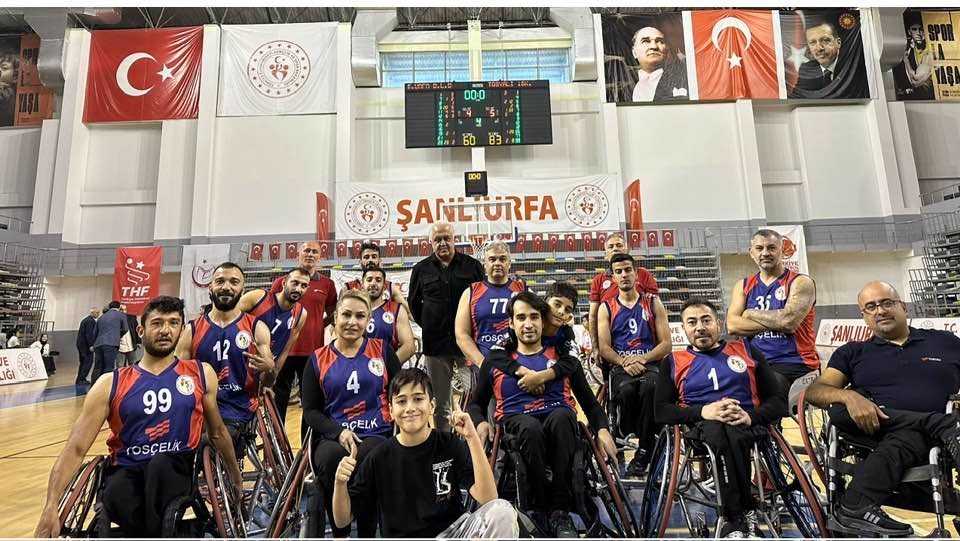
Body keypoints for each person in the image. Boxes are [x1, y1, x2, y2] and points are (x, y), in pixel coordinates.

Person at [34, 296, 243, 538]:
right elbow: (75, 448)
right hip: (126, 468)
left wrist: (235, 476)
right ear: (140, 331)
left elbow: (217, 432)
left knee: (160, 465)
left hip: (176, 468)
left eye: (173, 323)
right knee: (117, 491)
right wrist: (51, 505)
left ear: (181, 330)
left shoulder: (200, 374)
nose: (165, 330)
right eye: (157, 323)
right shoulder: (110, 383)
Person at [804, 281, 960, 536]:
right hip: (876, 428)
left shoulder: (945, 342)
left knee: (912, 435)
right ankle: (937, 424)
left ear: (903, 307)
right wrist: (849, 397)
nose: (880, 310)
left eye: (887, 303)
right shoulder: (853, 352)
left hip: (929, 437)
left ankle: (855, 503)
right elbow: (816, 392)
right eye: (871, 306)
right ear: (864, 315)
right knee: (842, 412)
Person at [469, 291, 615, 537]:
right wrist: (480, 422)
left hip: (559, 419)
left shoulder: (563, 358)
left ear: (542, 319)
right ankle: (536, 509)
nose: (528, 324)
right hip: (517, 421)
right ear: (511, 323)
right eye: (521, 318)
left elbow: (590, 404)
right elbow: (476, 404)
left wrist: (602, 429)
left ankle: (559, 511)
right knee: (530, 428)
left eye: (534, 317)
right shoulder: (496, 361)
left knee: (563, 417)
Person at [332, 368, 518, 538]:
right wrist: (340, 483)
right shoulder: (378, 457)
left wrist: (472, 438)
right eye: (401, 401)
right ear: (391, 411)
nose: (410, 408)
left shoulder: (449, 444)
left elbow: (488, 498)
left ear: (432, 406)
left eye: (418, 399)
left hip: (452, 533)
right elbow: (343, 520)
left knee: (502, 511)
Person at [655, 298, 787, 538]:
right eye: (692, 322)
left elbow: (778, 400)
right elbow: (661, 410)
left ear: (718, 323)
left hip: (746, 422)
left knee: (734, 431)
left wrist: (751, 416)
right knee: (719, 432)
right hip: (703, 427)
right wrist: (702, 411)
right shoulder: (672, 362)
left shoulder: (747, 350)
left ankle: (733, 518)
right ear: (683, 328)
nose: (700, 327)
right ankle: (741, 513)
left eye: (706, 320)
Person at [302, 290, 401, 537]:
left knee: (370, 460)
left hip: (377, 431)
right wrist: (338, 432)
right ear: (335, 317)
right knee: (332, 461)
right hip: (333, 435)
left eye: (359, 316)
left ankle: (366, 533)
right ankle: (341, 532)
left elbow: (401, 392)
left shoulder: (382, 351)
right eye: (346, 315)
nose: (352, 322)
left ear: (368, 320)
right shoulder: (317, 359)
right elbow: (311, 411)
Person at [176, 262, 274, 456]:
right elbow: (177, 376)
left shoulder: (256, 328)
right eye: (220, 281)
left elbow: (269, 378)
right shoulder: (191, 330)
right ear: (210, 287)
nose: (226, 286)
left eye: (234, 282)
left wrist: (270, 368)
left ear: (242, 290)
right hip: (197, 409)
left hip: (236, 408)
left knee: (207, 443)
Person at [597, 252, 672, 476]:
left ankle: (644, 450)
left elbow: (666, 344)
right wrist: (624, 362)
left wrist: (642, 359)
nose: (624, 275)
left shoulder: (653, 302)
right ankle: (625, 430)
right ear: (613, 277)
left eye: (628, 270)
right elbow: (604, 348)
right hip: (621, 366)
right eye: (618, 271)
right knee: (627, 390)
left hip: (650, 364)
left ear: (636, 273)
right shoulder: (606, 307)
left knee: (650, 388)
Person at [408, 222, 484, 430]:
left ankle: (473, 441)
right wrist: (430, 325)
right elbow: (414, 304)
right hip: (436, 346)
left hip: (467, 346)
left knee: (473, 397)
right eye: (437, 239)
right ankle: (444, 441)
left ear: (454, 239)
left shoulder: (472, 266)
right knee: (440, 402)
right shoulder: (421, 269)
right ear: (430, 243)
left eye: (446, 238)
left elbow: (481, 299)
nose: (442, 243)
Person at [726, 229, 819, 393]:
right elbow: (732, 326)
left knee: (764, 387)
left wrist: (749, 313)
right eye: (759, 248)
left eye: (771, 248)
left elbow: (788, 322)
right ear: (751, 253)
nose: (765, 253)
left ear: (782, 251)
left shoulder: (800, 282)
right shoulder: (743, 285)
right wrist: (777, 322)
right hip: (754, 360)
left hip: (794, 362)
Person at [268, 241, 338, 424]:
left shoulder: (327, 284)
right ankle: (278, 437)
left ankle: (308, 440)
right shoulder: (280, 282)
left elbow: (334, 313)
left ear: (319, 257)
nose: (310, 254)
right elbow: (270, 313)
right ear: (298, 254)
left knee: (310, 400)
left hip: (312, 351)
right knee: (279, 397)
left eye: (314, 251)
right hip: (283, 349)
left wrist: (318, 324)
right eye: (306, 250)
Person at [588, 232, 658, 369]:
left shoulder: (643, 274)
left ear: (627, 248)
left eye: (619, 245)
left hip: (644, 348)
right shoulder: (598, 280)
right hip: (612, 350)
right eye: (611, 246)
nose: (615, 248)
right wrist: (596, 348)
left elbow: (655, 306)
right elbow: (593, 316)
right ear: (605, 253)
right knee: (612, 381)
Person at [454, 241, 526, 367]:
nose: (497, 263)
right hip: (483, 365)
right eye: (492, 259)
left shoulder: (523, 290)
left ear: (509, 263)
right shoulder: (471, 292)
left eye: (502, 259)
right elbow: (461, 334)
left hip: (520, 364)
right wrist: (483, 364)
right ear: (485, 265)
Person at [239, 267, 309, 389]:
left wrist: (270, 381)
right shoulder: (258, 297)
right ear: (284, 283)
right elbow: (228, 317)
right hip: (237, 363)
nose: (298, 289)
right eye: (295, 283)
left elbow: (285, 350)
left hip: (260, 371)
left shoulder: (301, 314)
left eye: (304, 286)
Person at [362, 266, 415, 364]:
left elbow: (409, 347)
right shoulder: (353, 310)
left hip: (385, 368)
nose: (373, 283)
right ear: (362, 284)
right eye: (369, 280)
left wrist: (387, 367)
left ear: (384, 286)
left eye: (378, 280)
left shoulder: (397, 310)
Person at [342, 240, 410, 315]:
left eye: (374, 257)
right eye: (366, 257)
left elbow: (409, 312)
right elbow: (339, 315)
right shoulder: (348, 288)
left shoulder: (391, 287)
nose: (370, 260)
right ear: (360, 262)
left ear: (379, 260)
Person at [631, 25, 689, 102]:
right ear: (634, 53)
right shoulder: (627, 87)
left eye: (660, 41)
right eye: (645, 41)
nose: (654, 46)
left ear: (667, 50)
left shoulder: (685, 78)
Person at [894, 11, 935, 100]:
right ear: (909, 32)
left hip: (929, 98)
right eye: (914, 29)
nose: (918, 33)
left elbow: (915, 81)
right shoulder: (910, 50)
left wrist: (906, 61)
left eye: (921, 29)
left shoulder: (928, 53)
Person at [92, 301, 128, 381]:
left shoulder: (102, 317)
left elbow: (94, 332)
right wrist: (118, 336)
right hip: (111, 344)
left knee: (97, 367)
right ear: (119, 307)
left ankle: (94, 385)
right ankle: (107, 386)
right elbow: (125, 329)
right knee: (109, 367)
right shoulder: (121, 315)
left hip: (98, 344)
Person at [76, 307, 99, 384]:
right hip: (85, 346)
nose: (98, 314)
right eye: (97, 312)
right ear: (92, 313)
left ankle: (79, 379)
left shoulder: (85, 320)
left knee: (83, 362)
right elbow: (89, 334)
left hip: (81, 345)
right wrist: (91, 345)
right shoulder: (90, 321)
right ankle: (82, 379)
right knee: (88, 362)